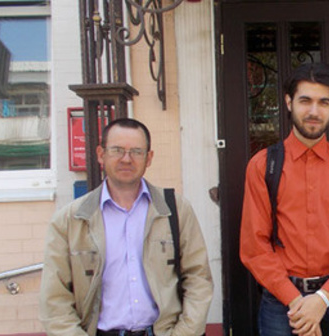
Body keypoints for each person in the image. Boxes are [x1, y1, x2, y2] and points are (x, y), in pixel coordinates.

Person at [39, 118, 213, 336]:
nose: (126, 159)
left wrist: (184, 332)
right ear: (101, 154)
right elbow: (54, 300)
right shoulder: (71, 220)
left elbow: (199, 278)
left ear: (149, 158)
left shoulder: (175, 210)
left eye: (137, 151)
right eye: (117, 150)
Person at [240, 62, 329, 336]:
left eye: (323, 102)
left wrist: (323, 298)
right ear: (289, 102)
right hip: (282, 301)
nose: (314, 111)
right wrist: (296, 301)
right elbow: (254, 246)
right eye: (305, 101)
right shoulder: (263, 165)